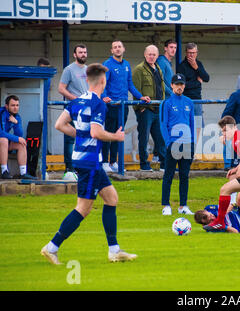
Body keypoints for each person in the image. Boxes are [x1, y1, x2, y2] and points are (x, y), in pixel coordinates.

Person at [40, 63, 137, 265]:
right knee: (83, 208)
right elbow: (95, 132)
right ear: (103, 80)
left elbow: (60, 124)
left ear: (86, 80)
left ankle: (114, 250)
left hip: (83, 159)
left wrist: (80, 135)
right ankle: (52, 247)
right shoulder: (98, 103)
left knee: (111, 197)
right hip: (89, 162)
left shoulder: (77, 101)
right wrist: (117, 137)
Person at [101, 40, 150, 173]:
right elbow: (102, 83)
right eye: (115, 47)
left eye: (119, 47)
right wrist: (104, 96)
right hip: (112, 105)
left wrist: (140, 96)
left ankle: (113, 162)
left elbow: (130, 85)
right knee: (109, 133)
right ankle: (104, 161)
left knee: (119, 133)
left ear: (124, 49)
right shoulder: (107, 64)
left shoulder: (127, 65)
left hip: (124, 105)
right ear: (112, 51)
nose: (117, 49)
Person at [160, 74, 196, 216]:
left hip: (187, 144)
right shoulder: (166, 103)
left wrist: (192, 142)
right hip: (173, 144)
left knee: (184, 175)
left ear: (184, 86)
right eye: (177, 84)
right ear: (172, 85)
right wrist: (168, 142)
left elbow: (192, 124)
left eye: (182, 84)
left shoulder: (189, 102)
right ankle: (166, 205)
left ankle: (183, 206)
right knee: (168, 174)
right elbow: (163, 125)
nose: (179, 87)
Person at [132, 44, 166, 171]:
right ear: (145, 55)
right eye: (149, 54)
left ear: (157, 56)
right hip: (145, 110)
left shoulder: (158, 68)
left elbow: (161, 88)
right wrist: (140, 107)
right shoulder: (139, 69)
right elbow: (135, 89)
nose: (151, 57)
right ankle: (144, 164)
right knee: (144, 138)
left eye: (154, 54)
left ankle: (164, 164)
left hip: (158, 109)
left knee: (160, 138)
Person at [58, 44, 89, 173]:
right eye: (80, 52)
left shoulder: (88, 69)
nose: (83, 54)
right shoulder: (69, 70)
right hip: (73, 108)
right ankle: (69, 167)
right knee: (71, 138)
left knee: (84, 137)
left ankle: (81, 165)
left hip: (86, 110)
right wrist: (75, 99)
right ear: (75, 55)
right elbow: (61, 89)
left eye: (85, 52)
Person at [178, 43, 210, 142]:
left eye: (193, 53)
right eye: (189, 53)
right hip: (186, 99)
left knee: (199, 125)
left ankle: (197, 151)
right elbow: (182, 86)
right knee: (186, 125)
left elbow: (207, 78)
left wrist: (196, 67)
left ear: (197, 53)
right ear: (186, 53)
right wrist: (197, 82)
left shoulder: (199, 64)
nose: (191, 55)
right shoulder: (182, 66)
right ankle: (188, 148)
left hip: (197, 99)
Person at [0, 95, 36, 180]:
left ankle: (23, 173)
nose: (15, 108)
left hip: (4, 144)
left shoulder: (17, 116)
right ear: (6, 106)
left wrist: (16, 123)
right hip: (2, 141)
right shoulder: (1, 113)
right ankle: (4, 171)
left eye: (17, 105)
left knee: (21, 143)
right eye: (13, 105)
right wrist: (17, 138)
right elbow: (1, 133)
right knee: (4, 140)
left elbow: (19, 134)